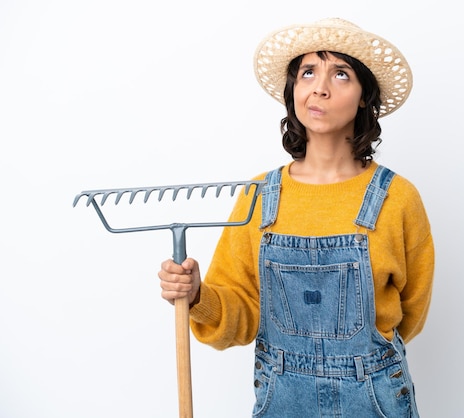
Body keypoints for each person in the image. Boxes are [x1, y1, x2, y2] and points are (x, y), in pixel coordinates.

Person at [158, 17, 435, 417]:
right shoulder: (259, 198)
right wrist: (197, 296)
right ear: (294, 90)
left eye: (341, 74)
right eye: (308, 72)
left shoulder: (397, 198)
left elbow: (410, 313)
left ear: (363, 97)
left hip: (373, 399)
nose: (320, 87)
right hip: (282, 398)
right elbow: (241, 312)